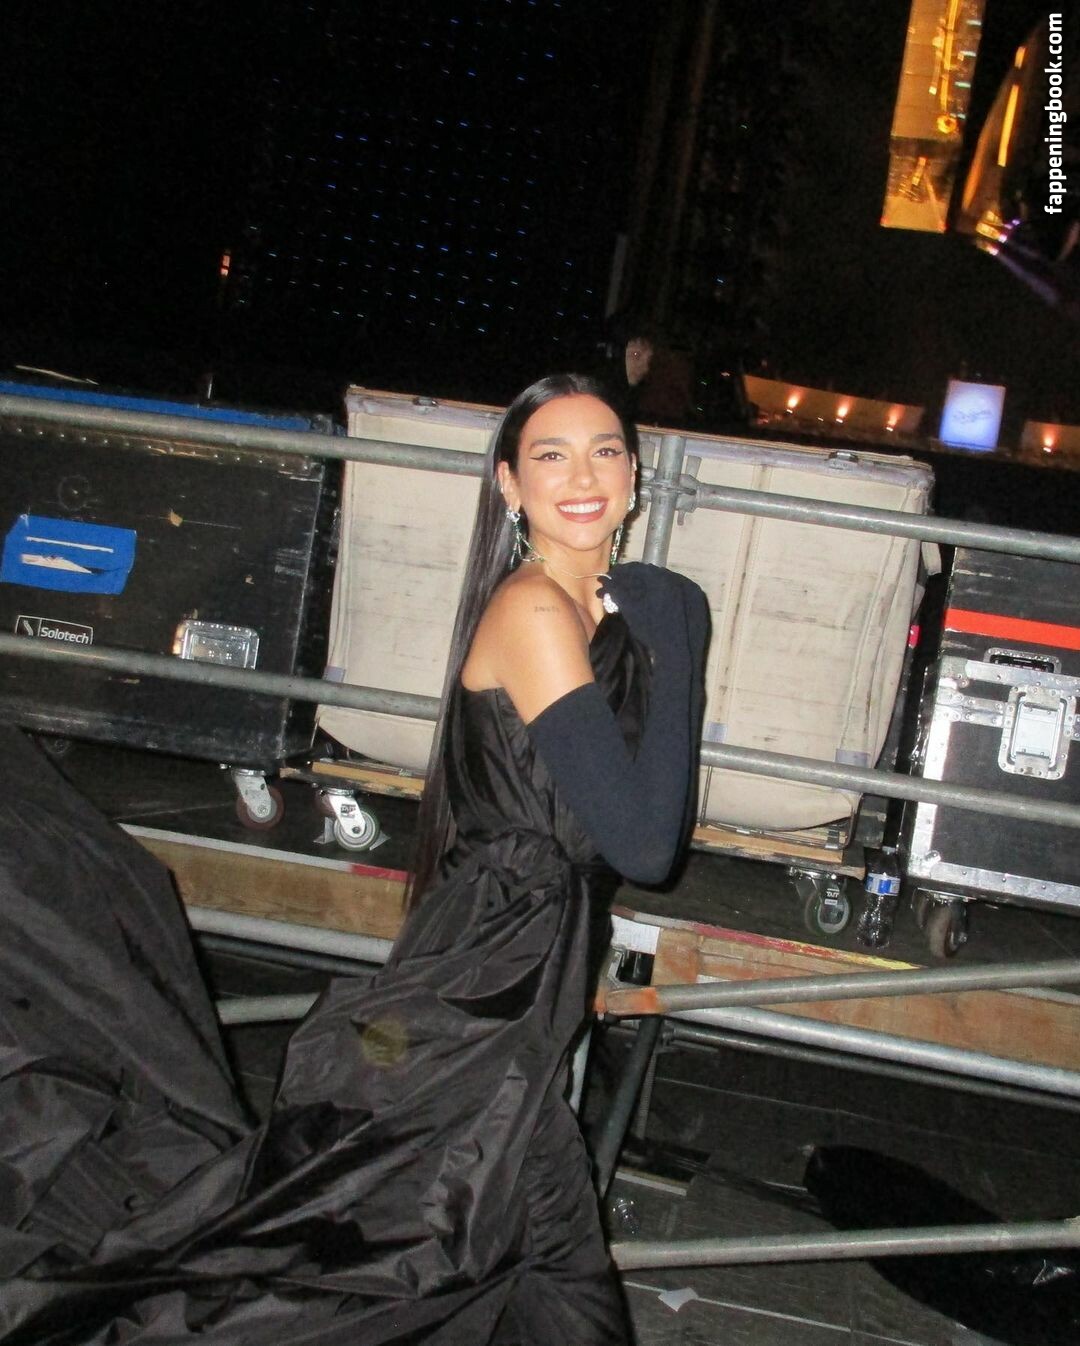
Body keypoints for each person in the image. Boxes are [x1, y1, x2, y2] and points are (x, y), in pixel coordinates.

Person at [0, 374, 709, 1344]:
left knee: (520, 1232)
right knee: (383, 1249)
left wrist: (661, 631)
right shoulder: (538, 615)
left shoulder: (608, 613)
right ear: (509, 485)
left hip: (527, 975)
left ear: (635, 474)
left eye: (605, 451)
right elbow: (645, 843)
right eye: (551, 455)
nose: (582, 476)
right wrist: (684, 645)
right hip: (487, 981)